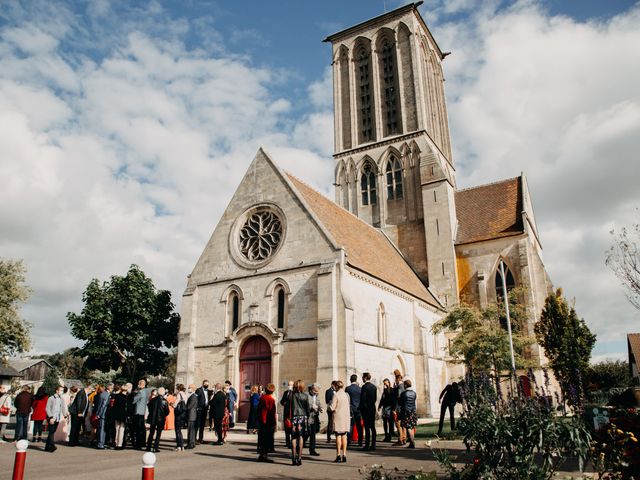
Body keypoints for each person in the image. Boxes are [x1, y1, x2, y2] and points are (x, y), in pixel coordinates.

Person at [287, 379, 310, 466]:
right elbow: (307, 409)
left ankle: (293, 458)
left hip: (294, 417)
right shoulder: (305, 396)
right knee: (301, 437)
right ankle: (299, 458)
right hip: (302, 418)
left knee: (293, 437)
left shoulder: (292, 396)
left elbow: (289, 407)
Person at [330, 380, 350, 463]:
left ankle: (338, 455)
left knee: (338, 436)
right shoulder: (346, 395)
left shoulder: (336, 395)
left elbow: (332, 407)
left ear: (337, 386)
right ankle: (344, 455)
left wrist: (329, 405)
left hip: (338, 416)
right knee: (344, 436)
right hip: (345, 417)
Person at [45, 384, 68, 452]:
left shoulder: (61, 398)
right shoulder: (51, 398)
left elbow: (63, 407)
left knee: (52, 432)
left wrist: (65, 414)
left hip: (57, 418)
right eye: (60, 390)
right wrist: (50, 417)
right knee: (51, 432)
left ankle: (47, 447)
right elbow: (47, 408)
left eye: (62, 390)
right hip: (52, 418)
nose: (62, 391)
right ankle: (52, 445)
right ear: (57, 391)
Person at [257, 383, 276, 462]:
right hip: (268, 420)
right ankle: (264, 455)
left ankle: (262, 454)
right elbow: (272, 411)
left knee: (262, 437)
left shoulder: (262, 397)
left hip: (262, 419)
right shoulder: (271, 399)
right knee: (267, 438)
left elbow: (259, 409)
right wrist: (274, 422)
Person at [146, 387, 169, 452]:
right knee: (158, 434)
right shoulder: (164, 401)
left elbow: (149, 407)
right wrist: (164, 415)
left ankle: (148, 446)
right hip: (160, 419)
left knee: (151, 433)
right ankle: (155, 447)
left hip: (153, 418)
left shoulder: (153, 400)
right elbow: (167, 411)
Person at [360, 372, 377, 451]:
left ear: (366, 378)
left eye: (363, 377)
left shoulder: (364, 387)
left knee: (367, 428)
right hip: (372, 408)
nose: (362, 379)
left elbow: (363, 399)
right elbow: (375, 399)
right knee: (372, 427)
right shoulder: (374, 387)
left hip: (366, 410)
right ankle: (373, 444)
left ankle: (367, 445)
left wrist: (363, 408)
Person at [68, 382, 89, 446]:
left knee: (78, 428)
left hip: (80, 413)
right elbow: (79, 402)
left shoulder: (85, 393)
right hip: (76, 412)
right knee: (74, 427)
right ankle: (71, 442)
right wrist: (80, 412)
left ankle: (76, 441)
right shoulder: (81, 392)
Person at [398, 378, 417, 449]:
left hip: (406, 411)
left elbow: (400, 403)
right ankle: (412, 442)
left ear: (406, 385)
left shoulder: (404, 393)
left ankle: (412, 442)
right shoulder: (414, 393)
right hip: (413, 411)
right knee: (412, 426)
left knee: (408, 427)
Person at [131, 379, 150, 449]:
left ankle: (138, 444)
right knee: (142, 428)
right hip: (143, 411)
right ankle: (143, 442)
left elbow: (133, 400)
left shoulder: (140, 392)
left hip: (138, 411)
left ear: (140, 384)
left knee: (138, 428)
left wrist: (134, 394)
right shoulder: (146, 392)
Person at [345, 374, 362, 447]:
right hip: (358, 409)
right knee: (359, 425)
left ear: (350, 379)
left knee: (350, 425)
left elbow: (346, 399)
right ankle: (360, 441)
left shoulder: (347, 388)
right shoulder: (360, 389)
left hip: (350, 409)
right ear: (356, 379)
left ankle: (348, 440)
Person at [111, 383, 128, 450]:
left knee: (117, 429)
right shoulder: (126, 398)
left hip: (116, 414)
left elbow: (114, 406)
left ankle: (115, 442)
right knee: (121, 429)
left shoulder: (117, 396)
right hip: (123, 415)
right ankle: (119, 444)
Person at [94, 383, 111, 449]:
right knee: (102, 430)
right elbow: (103, 405)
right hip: (103, 414)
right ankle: (100, 444)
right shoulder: (107, 395)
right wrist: (100, 414)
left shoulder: (102, 393)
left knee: (100, 429)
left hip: (101, 414)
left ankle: (100, 442)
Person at [307, 383, 322, 456]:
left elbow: (318, 403)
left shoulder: (317, 396)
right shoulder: (307, 395)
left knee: (314, 432)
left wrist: (320, 408)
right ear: (312, 389)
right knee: (307, 433)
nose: (316, 393)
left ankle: (312, 449)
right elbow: (305, 405)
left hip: (315, 416)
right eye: (315, 391)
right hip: (308, 417)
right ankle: (300, 445)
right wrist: (311, 407)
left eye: (317, 392)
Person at [392, 371, 406, 446]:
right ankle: (404, 438)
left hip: (398, 408)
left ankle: (400, 439)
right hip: (402, 408)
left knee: (398, 424)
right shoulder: (403, 385)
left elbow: (398, 397)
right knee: (403, 424)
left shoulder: (400, 386)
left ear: (397, 379)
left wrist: (395, 409)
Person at [172, 384, 188, 451]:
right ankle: (182, 446)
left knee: (177, 430)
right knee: (180, 430)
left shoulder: (179, 395)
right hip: (183, 414)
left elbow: (175, 405)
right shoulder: (185, 394)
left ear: (178, 389)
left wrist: (171, 404)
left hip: (178, 414)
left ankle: (179, 445)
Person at [195, 380, 210, 444]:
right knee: (197, 425)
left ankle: (200, 439)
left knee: (202, 425)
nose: (206, 385)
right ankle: (194, 439)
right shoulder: (199, 390)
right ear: (203, 384)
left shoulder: (208, 391)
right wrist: (197, 407)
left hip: (205, 409)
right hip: (199, 410)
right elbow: (196, 399)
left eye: (207, 384)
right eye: (205, 384)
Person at [280, 380, 294, 448]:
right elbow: (281, 401)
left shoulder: (294, 393)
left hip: (292, 413)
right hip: (286, 413)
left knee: (292, 428)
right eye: (288, 385)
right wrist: (284, 402)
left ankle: (292, 442)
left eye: (290, 385)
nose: (289, 386)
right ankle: (287, 442)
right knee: (287, 429)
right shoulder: (285, 392)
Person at [185, 384, 198, 449]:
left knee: (190, 430)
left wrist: (184, 408)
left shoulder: (193, 396)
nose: (188, 389)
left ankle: (190, 443)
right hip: (192, 415)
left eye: (189, 388)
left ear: (193, 388)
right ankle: (192, 443)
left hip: (191, 415)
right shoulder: (193, 396)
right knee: (192, 430)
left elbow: (189, 406)